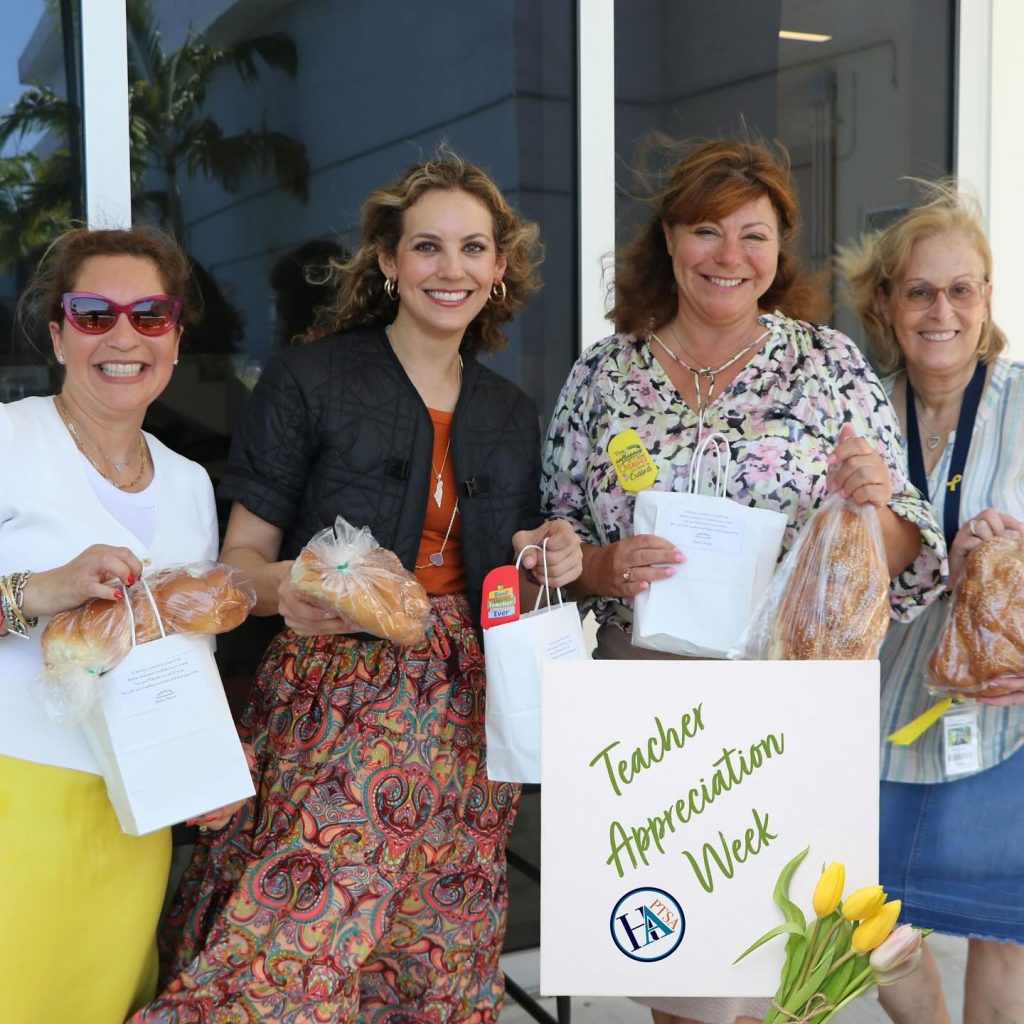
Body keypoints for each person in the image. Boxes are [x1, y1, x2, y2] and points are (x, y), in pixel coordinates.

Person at [135, 150, 582, 1022]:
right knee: (290, 948)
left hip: (467, 724)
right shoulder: (311, 379)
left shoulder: (510, 411)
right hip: (337, 707)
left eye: (472, 249)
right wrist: (282, 592)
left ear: (498, 269)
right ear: (387, 261)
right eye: (426, 247)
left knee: (435, 961)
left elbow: (505, 566)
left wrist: (545, 552)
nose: (450, 269)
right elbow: (239, 564)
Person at [541, 138, 946, 1024]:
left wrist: (872, 504)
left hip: (786, 699)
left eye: (753, 235)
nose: (730, 256)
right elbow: (556, 538)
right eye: (707, 230)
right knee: (684, 963)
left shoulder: (828, 364)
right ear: (669, 240)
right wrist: (604, 564)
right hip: (647, 703)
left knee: (784, 965)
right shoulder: (602, 375)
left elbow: (905, 545)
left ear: (779, 251)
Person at [0, 227, 220, 1023]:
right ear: (58, 334)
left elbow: (188, 654)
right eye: (93, 314)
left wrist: (208, 769)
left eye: (150, 314)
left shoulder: (193, 484)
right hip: (14, 801)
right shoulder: (8, 439)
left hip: (137, 813)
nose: (123, 336)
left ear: (174, 336)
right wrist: (42, 590)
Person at [840, 184, 1024, 1024]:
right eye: (919, 290)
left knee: (1007, 932)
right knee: (870, 923)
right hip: (876, 712)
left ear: (986, 298)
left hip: (1008, 719)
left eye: (962, 289)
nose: (941, 309)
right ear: (885, 301)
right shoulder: (855, 410)